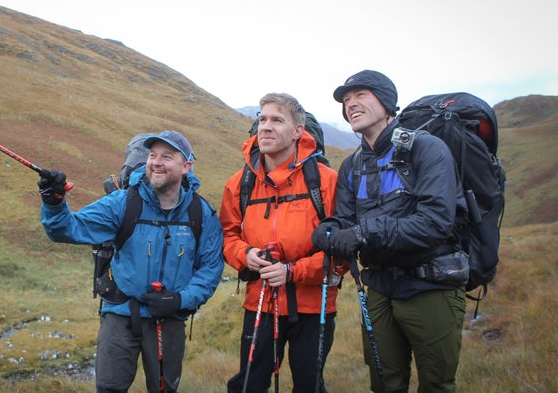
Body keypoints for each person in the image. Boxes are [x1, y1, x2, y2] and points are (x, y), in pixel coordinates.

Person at [312, 70, 467, 392]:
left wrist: (362, 234)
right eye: (346, 100)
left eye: (361, 95)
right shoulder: (353, 165)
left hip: (430, 285)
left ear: (387, 103)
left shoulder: (426, 149)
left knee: (436, 384)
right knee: (384, 382)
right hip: (381, 288)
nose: (350, 104)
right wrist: (328, 230)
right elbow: (345, 218)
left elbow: (435, 223)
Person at [38, 130, 224, 393]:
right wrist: (54, 202)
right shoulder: (122, 203)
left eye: (166, 157)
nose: (156, 162)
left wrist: (180, 300)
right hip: (120, 313)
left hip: (170, 318)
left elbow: (211, 268)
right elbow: (67, 229)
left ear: (186, 167)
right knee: (109, 388)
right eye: (152, 155)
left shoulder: (201, 213)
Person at [221, 93, 343, 393]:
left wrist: (292, 272)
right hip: (260, 303)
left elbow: (342, 251)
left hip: (315, 308)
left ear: (298, 131)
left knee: (309, 386)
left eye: (277, 120)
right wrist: (246, 254)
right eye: (262, 119)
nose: (266, 127)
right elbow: (228, 235)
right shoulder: (240, 184)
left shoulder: (326, 182)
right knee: (249, 384)